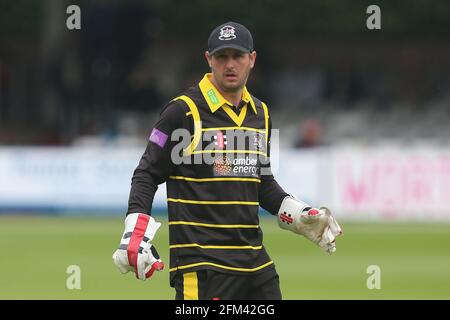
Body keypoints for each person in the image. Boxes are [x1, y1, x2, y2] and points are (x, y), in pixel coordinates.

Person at [112, 22, 342, 300]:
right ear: (209, 60)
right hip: (203, 266)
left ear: (252, 60)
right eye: (221, 57)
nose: (230, 64)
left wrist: (300, 215)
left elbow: (262, 184)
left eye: (238, 56)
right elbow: (146, 174)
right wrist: (134, 233)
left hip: (256, 266)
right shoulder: (182, 112)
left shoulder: (261, 113)